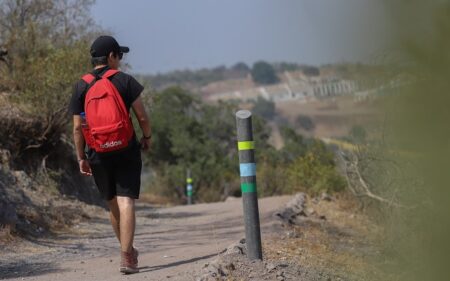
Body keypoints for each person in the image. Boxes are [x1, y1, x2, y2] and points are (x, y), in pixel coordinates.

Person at [69, 35, 151, 274]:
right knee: (126, 201)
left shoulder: (81, 86)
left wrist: (81, 157)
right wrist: (147, 138)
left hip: (97, 152)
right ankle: (127, 257)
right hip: (125, 148)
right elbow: (142, 117)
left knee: (112, 203)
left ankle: (128, 251)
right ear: (111, 57)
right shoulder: (125, 81)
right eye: (119, 56)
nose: (120, 61)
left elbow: (76, 128)